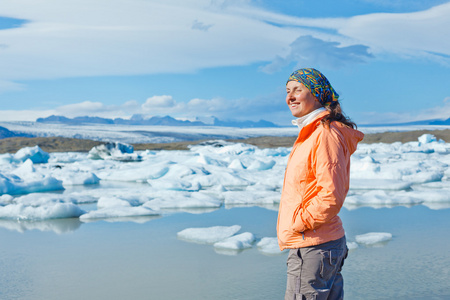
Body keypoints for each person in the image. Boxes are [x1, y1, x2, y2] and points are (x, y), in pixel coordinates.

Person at [277, 68, 364, 300]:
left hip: (313, 243)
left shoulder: (324, 133)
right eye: (287, 91)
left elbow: (330, 195)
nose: (290, 97)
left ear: (316, 94)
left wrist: (299, 224)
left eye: (298, 90)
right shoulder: (313, 131)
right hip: (319, 241)